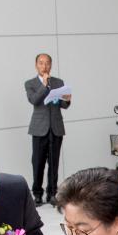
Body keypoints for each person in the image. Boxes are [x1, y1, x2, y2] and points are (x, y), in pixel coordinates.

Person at [24, 52, 70, 206]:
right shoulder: (30, 83)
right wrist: (44, 85)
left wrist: (67, 100)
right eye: (41, 63)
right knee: (37, 162)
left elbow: (63, 105)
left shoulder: (58, 81)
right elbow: (34, 100)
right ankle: (37, 193)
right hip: (39, 128)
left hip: (56, 127)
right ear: (36, 65)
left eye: (47, 63)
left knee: (54, 162)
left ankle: (52, 193)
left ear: (51, 65)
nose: (44, 66)